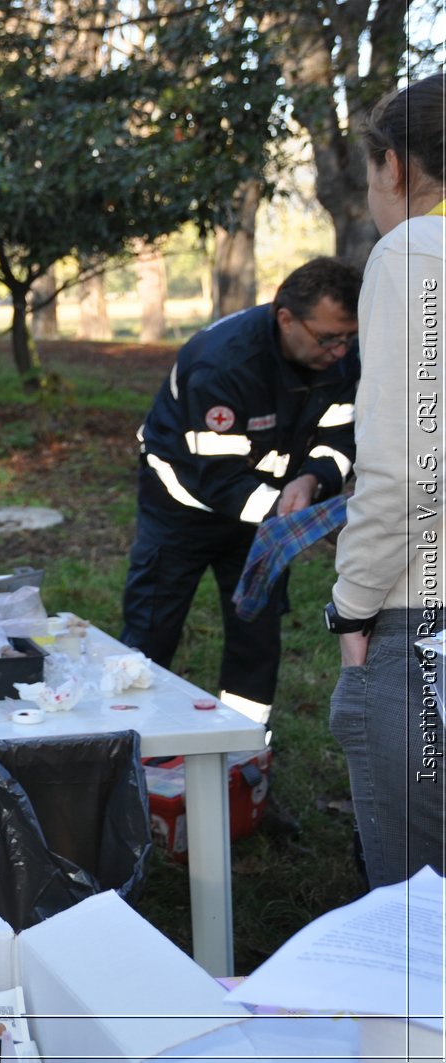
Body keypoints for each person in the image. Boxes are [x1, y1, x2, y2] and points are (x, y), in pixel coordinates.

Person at [119, 256, 362, 725]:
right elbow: (214, 477)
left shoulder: (342, 358)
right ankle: (130, 739)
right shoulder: (224, 363)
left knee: (257, 632)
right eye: (329, 338)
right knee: (153, 626)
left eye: (348, 338)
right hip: (183, 509)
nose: (339, 351)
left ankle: (244, 745)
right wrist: (290, 514)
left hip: (269, 513)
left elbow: (340, 436)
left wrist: (313, 479)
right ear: (286, 317)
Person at [327, 72, 445, 889]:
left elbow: (408, 466)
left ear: (394, 168)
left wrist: (353, 604)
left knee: (418, 923)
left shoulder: (415, 250)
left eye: (370, 180)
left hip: (423, 616)